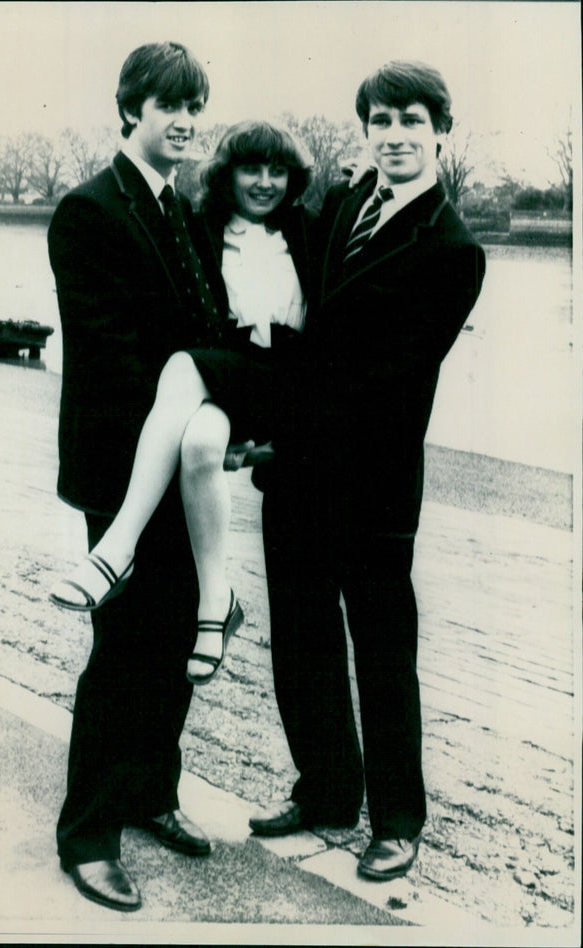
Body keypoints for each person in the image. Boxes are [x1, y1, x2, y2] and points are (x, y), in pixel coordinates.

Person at [250, 61, 487, 882]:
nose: (393, 136)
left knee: (383, 654)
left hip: (372, 484)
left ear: (439, 133)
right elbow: (301, 298)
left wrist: (284, 435)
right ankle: (325, 793)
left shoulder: (453, 250)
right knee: (303, 643)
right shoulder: (352, 201)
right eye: (379, 121)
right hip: (299, 476)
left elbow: (387, 382)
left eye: (410, 122)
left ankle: (396, 820)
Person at [47, 41, 220, 912]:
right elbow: (115, 360)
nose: (185, 122)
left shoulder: (178, 208)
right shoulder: (89, 210)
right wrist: (201, 414)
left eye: (195, 107)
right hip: (121, 471)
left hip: (177, 466)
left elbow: (206, 324)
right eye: (169, 107)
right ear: (131, 111)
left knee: (177, 639)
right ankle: (87, 835)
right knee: (123, 652)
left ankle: (153, 793)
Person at [50, 119, 314, 686]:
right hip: (228, 375)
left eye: (278, 171)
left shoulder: (311, 231)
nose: (265, 182)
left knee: (181, 365)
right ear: (228, 174)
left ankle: (117, 547)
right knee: (198, 445)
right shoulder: (203, 225)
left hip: (279, 383)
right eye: (251, 169)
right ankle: (217, 603)